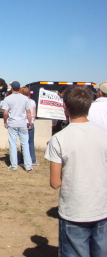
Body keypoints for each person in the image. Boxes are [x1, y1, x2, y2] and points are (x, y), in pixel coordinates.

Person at [44, 85, 107, 257]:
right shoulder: (104, 134)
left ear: (65, 106)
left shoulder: (58, 139)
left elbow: (55, 183)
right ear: (89, 105)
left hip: (74, 212)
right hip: (102, 209)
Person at [2, 81, 33, 171]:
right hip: (22, 123)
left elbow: (5, 113)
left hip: (12, 123)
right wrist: (30, 123)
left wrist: (5, 122)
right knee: (25, 144)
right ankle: (28, 165)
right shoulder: (25, 99)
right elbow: (28, 112)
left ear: (11, 88)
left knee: (12, 144)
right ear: (19, 88)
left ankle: (14, 165)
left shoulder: (8, 99)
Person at [20, 86, 38, 165]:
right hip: (31, 123)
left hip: (23, 122)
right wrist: (32, 121)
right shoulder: (33, 102)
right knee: (31, 142)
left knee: (23, 143)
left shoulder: (22, 102)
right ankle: (33, 159)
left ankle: (24, 160)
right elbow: (34, 113)